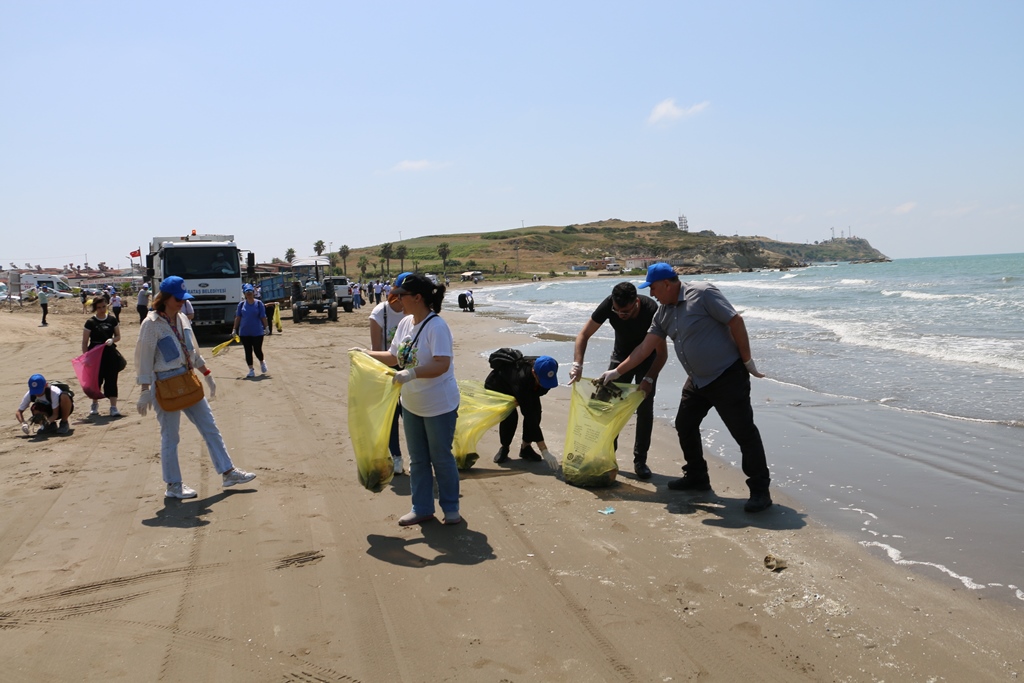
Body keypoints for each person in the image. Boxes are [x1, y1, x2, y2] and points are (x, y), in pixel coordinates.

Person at [598, 263, 773, 513]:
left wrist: (747, 360)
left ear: (668, 283)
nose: (652, 294)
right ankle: (697, 475)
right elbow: (644, 349)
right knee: (685, 424)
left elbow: (735, 321)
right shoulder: (662, 314)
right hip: (698, 381)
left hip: (727, 376)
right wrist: (616, 371)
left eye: (654, 288)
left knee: (743, 432)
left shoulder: (702, 293)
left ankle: (760, 491)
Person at [135, 276, 256, 499]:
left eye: (183, 299)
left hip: (188, 379)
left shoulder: (182, 319)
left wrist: (206, 374)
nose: (182, 302)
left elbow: (192, 351)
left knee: (210, 426)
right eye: (177, 299)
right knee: (171, 437)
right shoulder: (151, 324)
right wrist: (144, 390)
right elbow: (144, 358)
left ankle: (228, 472)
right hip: (165, 384)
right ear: (165, 298)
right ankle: (173, 485)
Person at [357, 274, 461, 526]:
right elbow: (394, 356)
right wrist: (366, 354)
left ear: (417, 297)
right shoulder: (405, 323)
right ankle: (422, 508)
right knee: (418, 459)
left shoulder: (436, 326)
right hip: (412, 404)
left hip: (438, 405)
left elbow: (442, 364)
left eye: (401, 295)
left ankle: (451, 508)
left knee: (441, 457)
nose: (396, 298)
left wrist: (412, 373)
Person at [569, 282, 667, 480]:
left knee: (645, 409)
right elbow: (583, 334)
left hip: (648, 360)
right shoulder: (609, 305)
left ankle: (640, 461)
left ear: (636, 302)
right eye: (617, 310)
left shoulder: (651, 310)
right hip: (620, 357)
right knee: (605, 405)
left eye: (626, 311)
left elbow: (662, 354)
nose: (620, 314)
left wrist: (649, 377)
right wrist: (577, 364)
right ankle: (608, 456)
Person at [369, 272, 412, 475]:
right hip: (388, 368)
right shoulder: (380, 314)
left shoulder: (414, 313)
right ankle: (396, 456)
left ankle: (417, 457)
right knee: (392, 415)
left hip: (411, 368)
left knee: (411, 413)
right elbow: (377, 349)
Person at [485, 351, 559, 465]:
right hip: (499, 387)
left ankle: (526, 448)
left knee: (536, 413)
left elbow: (533, 413)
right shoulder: (521, 377)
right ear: (534, 372)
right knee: (510, 416)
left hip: (527, 386)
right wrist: (544, 450)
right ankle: (504, 447)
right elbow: (529, 416)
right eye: (542, 381)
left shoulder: (550, 366)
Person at [82, 297, 123, 417]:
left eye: (104, 307)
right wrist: (86, 357)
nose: (102, 310)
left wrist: (112, 339)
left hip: (109, 354)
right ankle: (94, 404)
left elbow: (118, 336)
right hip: (95, 354)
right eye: (99, 308)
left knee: (111, 379)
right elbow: (85, 342)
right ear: (95, 308)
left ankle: (113, 407)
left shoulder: (112, 320)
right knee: (96, 380)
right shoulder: (90, 322)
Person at [232, 284, 269, 378]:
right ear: (244, 294)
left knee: (257, 350)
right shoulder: (241, 305)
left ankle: (262, 362)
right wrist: (234, 329)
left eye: (250, 292)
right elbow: (238, 317)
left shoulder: (259, 303)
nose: (249, 294)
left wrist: (266, 327)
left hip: (257, 332)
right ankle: (251, 369)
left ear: (253, 293)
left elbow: (263, 316)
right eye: (247, 292)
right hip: (245, 332)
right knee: (248, 351)